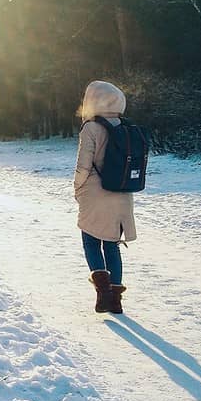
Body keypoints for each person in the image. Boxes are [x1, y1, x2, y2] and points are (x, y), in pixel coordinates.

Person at [73, 80, 137, 314]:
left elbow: (83, 166)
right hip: (121, 193)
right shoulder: (126, 127)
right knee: (112, 244)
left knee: (90, 240)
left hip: (94, 193)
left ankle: (102, 295)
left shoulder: (91, 128)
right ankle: (116, 301)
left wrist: (77, 189)